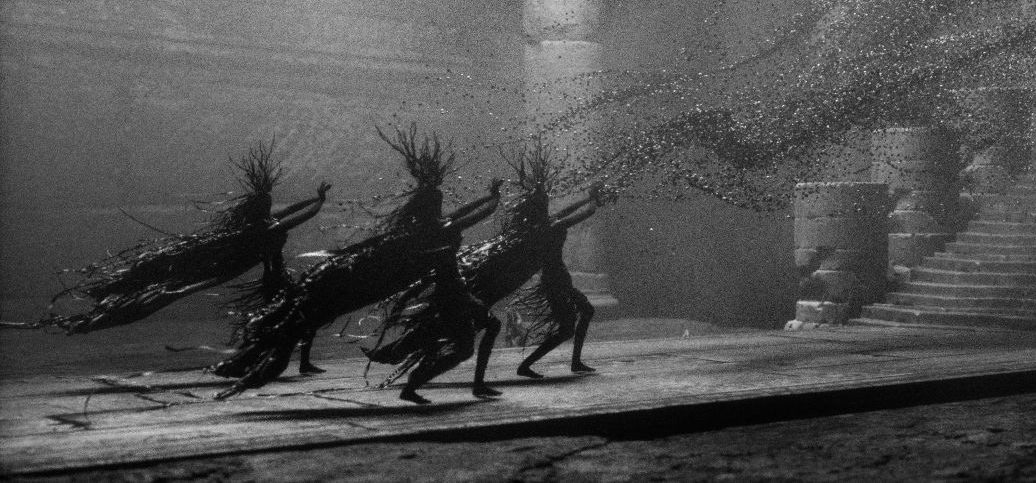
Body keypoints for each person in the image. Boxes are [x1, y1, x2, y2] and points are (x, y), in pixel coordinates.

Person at [211, 125, 500, 403]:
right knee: (465, 345)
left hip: (408, 285)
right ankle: (417, 385)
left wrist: (489, 197)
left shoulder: (410, 233)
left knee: (301, 321)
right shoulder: (438, 232)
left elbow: (463, 213)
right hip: (445, 294)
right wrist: (493, 199)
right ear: (434, 206)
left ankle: (421, 383)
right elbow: (471, 216)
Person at [5, 143, 328, 363]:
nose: (274, 205)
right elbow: (300, 215)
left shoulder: (259, 223)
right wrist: (319, 203)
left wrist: (314, 198)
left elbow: (292, 209)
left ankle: (290, 357)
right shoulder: (266, 228)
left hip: (243, 267)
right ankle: (285, 358)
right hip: (238, 268)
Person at [367, 144, 604, 398]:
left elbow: (562, 213)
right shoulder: (542, 229)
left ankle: (405, 358)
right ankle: (425, 374)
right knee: (467, 334)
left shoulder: (531, 230)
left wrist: (492, 198)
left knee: (457, 329)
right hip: (470, 289)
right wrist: (592, 200)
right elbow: (571, 216)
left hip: (467, 287)